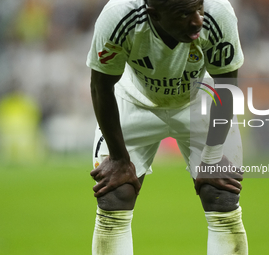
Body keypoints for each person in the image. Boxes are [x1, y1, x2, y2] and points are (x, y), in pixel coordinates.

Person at [86, 0, 248, 254]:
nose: (197, 20)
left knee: (221, 195)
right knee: (114, 195)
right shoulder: (119, 16)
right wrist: (118, 158)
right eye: (184, 14)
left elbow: (226, 85)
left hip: (199, 101)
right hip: (134, 101)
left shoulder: (218, 12)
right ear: (154, 14)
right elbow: (100, 86)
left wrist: (213, 157)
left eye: (199, 9)